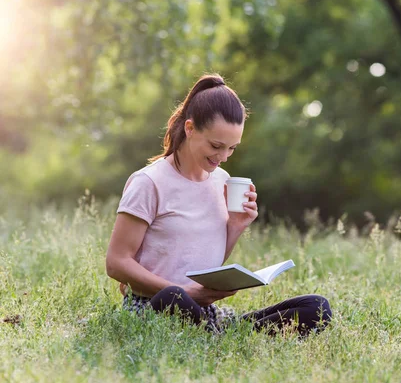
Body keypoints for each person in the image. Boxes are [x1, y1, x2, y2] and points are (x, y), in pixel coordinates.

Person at [105, 74, 331, 336]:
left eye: (232, 148)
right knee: (174, 296)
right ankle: (220, 336)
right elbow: (116, 262)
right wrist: (182, 291)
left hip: (203, 312)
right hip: (155, 306)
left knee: (316, 307)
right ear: (190, 129)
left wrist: (235, 226)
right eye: (216, 146)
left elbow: (203, 263)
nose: (223, 157)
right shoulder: (149, 182)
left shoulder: (221, 181)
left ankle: (215, 334)